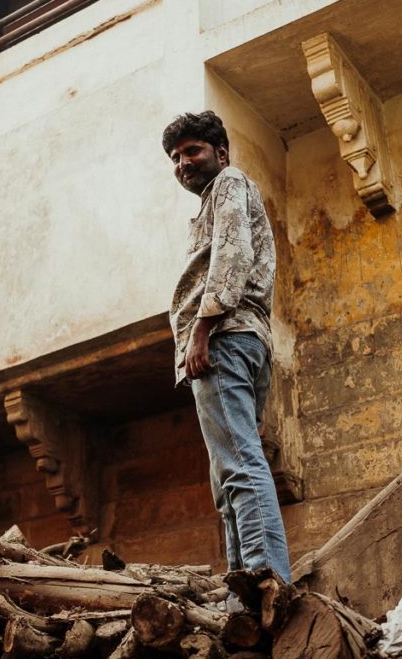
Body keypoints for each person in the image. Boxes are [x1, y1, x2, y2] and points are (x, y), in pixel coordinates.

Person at [163, 111, 291, 582]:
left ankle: (264, 581)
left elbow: (232, 255)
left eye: (192, 151)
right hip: (239, 340)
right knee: (228, 478)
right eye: (176, 157)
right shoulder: (213, 199)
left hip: (224, 337)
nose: (183, 163)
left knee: (239, 466)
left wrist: (201, 329)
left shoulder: (231, 181)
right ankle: (244, 589)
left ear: (220, 152)